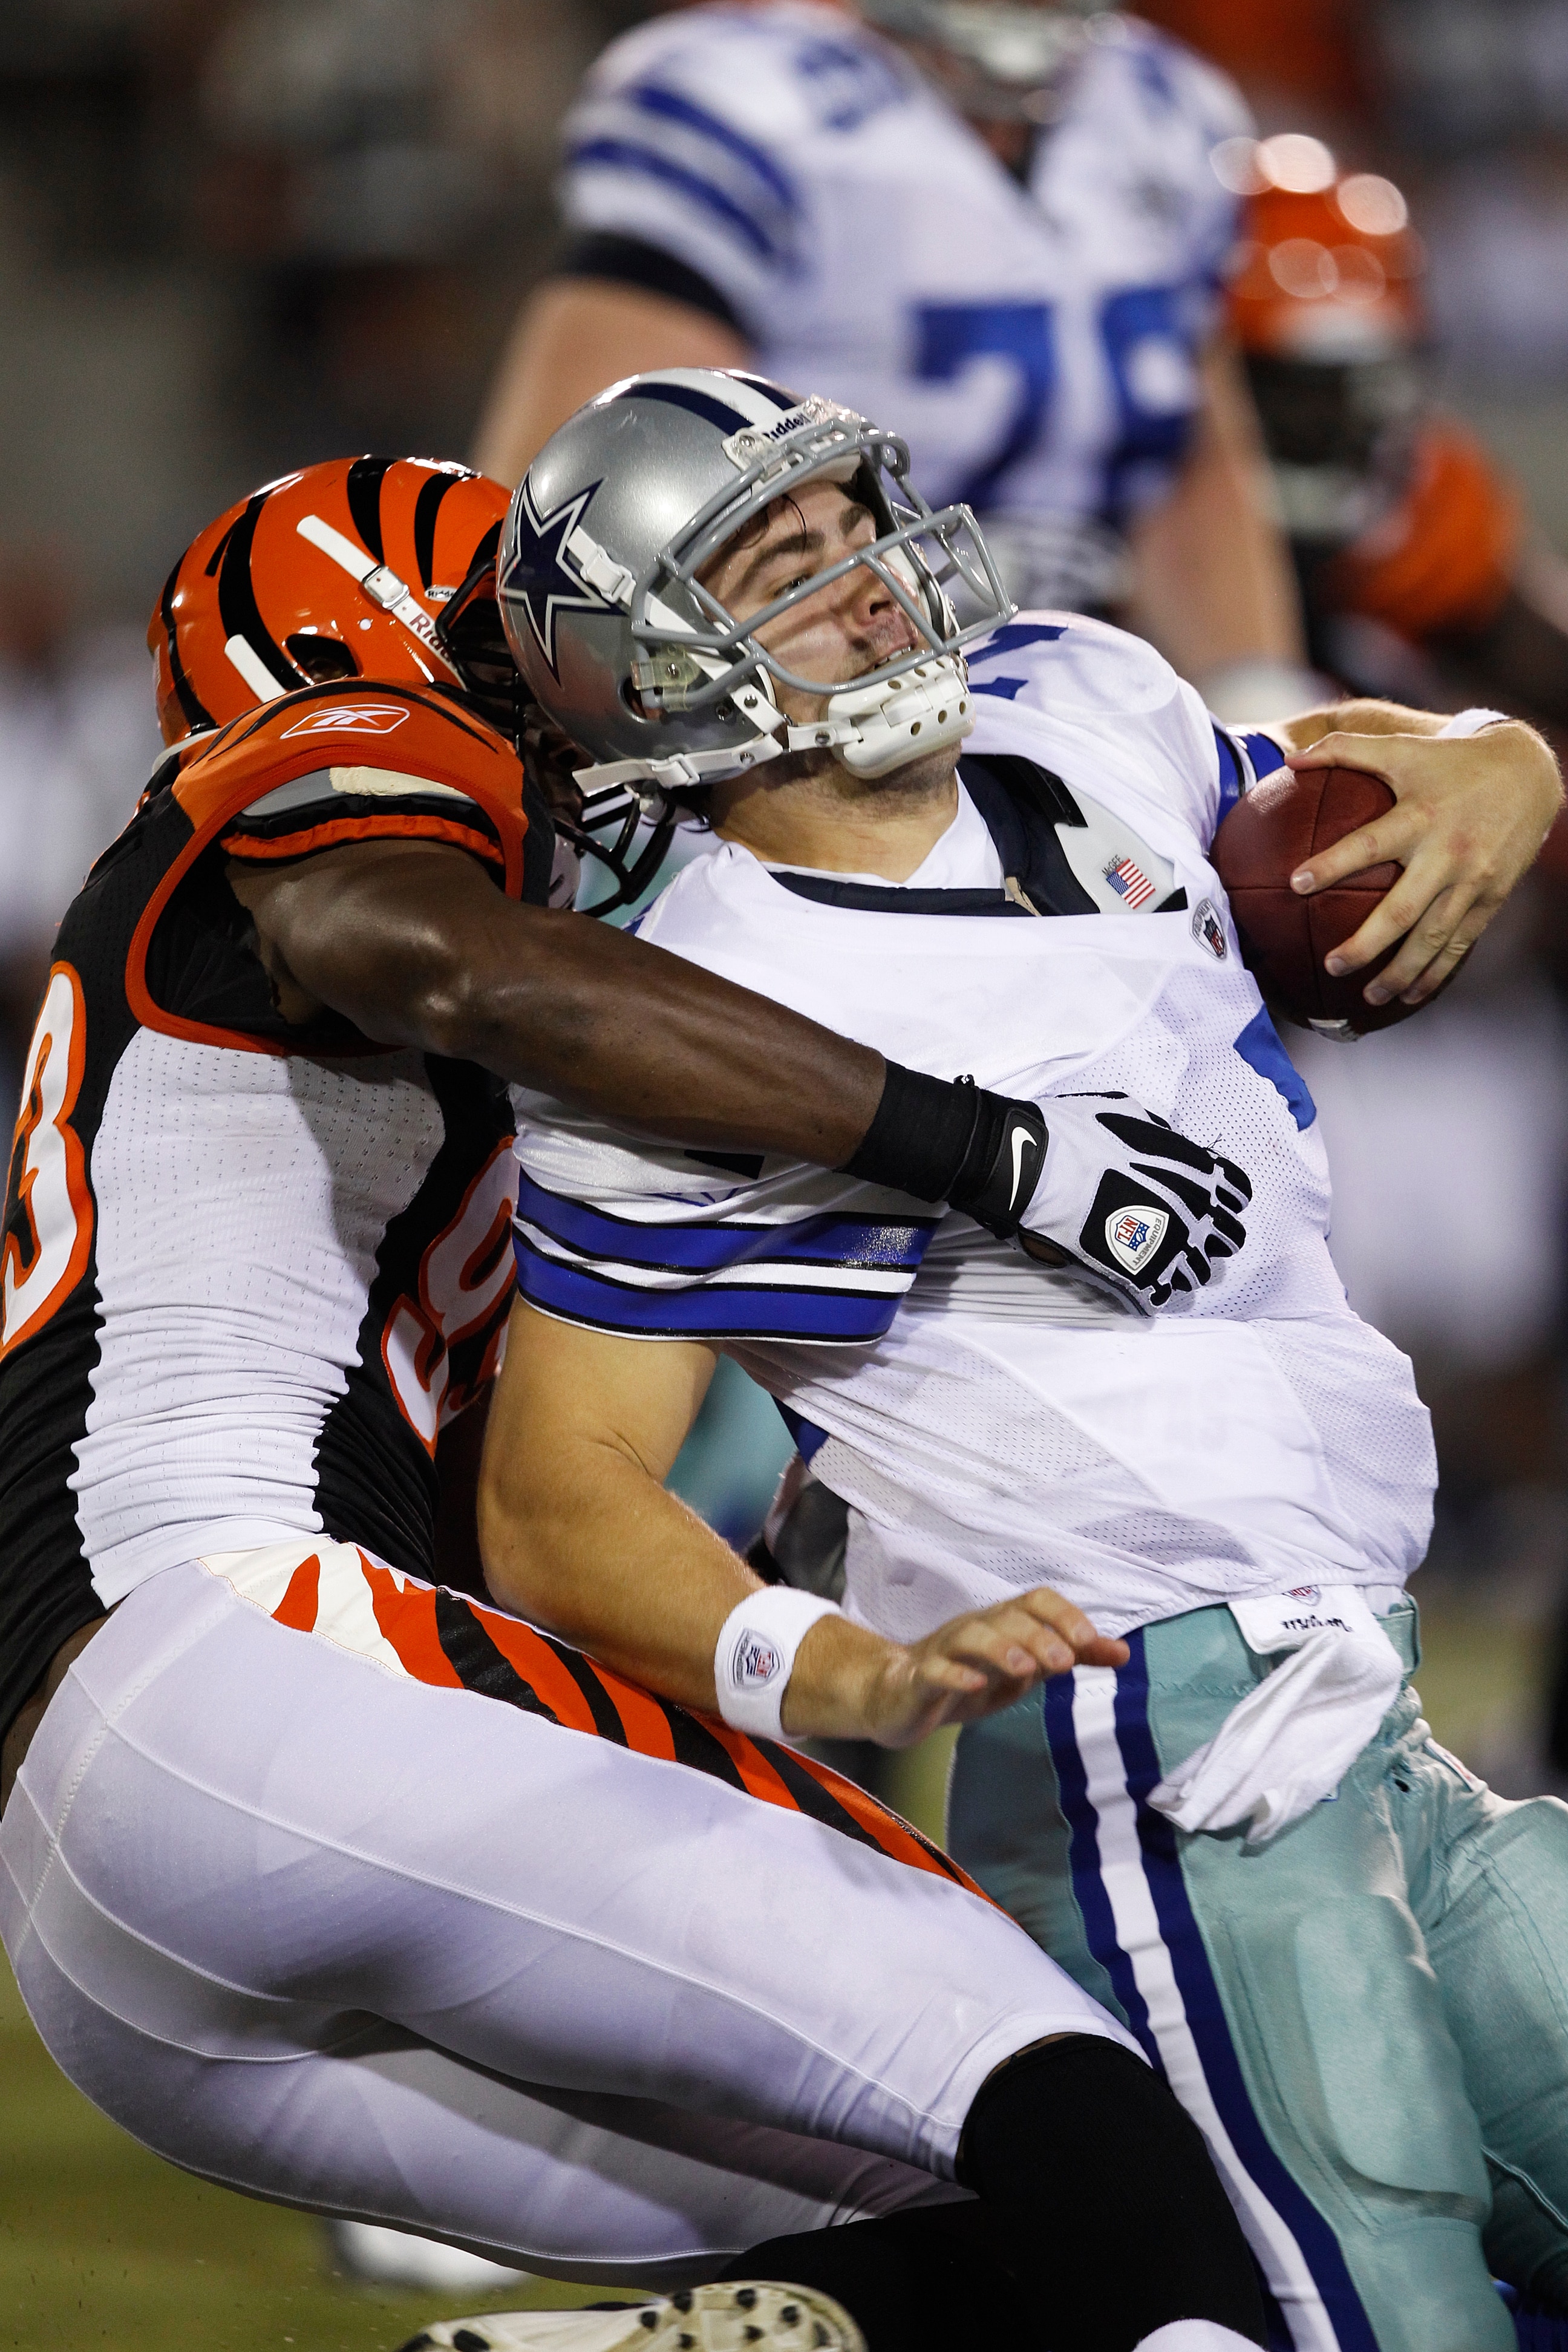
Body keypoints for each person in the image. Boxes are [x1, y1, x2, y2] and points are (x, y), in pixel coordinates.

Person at [0, 451, 1278, 2352]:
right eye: (545, 673)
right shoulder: (327, 791)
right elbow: (423, 949)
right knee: (1086, 2106)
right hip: (252, 1658)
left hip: (120, 1903)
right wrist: (984, 1147)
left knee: (992, 2251)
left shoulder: (340, 1036)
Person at [486, 367, 1567, 2352]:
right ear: (653, 669)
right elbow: (562, 1492)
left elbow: (1365, 780)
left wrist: (1509, 752)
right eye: (776, 564)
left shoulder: (1083, 699)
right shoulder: (686, 1014)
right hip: (1154, 1747)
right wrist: (832, 1669)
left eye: (848, 522)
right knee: (1386, 2313)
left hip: (1381, 1710)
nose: (865, 580)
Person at [475, 0, 1319, 720]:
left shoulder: (1164, 108)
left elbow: (1188, 456)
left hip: (1082, 686)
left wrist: (1254, 698)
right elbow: (588, 493)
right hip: (803, 704)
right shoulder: (744, 98)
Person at [1229, 141, 1568, 734]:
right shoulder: (1123, 501)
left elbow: (1538, 655)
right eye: (1303, 389)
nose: (1344, 422)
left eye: (1371, 382)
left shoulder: (1419, 497)